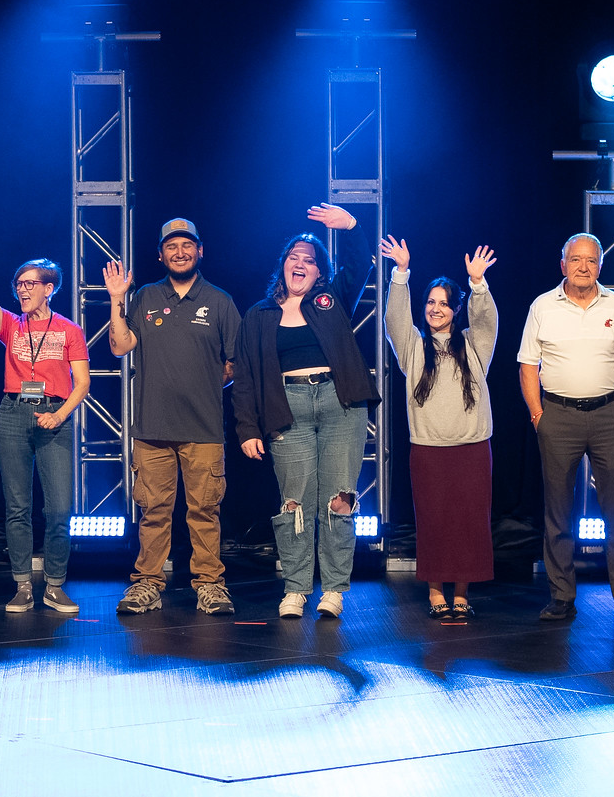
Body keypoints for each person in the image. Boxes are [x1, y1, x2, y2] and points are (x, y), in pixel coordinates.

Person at [232, 204, 380, 619]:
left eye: (309, 261)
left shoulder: (331, 301)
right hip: (288, 407)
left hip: (340, 403)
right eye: (293, 258)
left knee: (338, 501)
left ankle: (333, 589)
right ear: (283, 267)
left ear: (319, 273)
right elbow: (243, 377)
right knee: (293, 503)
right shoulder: (259, 315)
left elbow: (358, 263)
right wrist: (247, 428)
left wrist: (350, 225)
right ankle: (296, 587)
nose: (300, 264)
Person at [103, 218, 241, 616]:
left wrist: (199, 385)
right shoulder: (145, 296)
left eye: (187, 245)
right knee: (154, 512)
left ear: (200, 251)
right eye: (171, 246)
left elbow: (234, 362)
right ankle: (147, 584)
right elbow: (119, 346)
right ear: (160, 254)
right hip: (152, 429)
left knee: (204, 512)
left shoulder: (219, 301)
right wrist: (117, 299)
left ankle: (210, 586)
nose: (179, 252)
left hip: (204, 429)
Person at [0, 217, 91, 614]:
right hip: (12, 415)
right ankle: (22, 587)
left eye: (30, 284)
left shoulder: (68, 330)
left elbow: (81, 383)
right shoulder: (11, 326)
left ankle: (55, 585)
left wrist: (60, 415)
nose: (22, 290)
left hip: (55, 417)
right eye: (19, 284)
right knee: (17, 507)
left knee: (59, 508)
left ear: (49, 289)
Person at [517, 232, 614, 624]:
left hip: (610, 415)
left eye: (591, 260)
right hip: (558, 416)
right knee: (558, 510)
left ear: (600, 266)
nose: (584, 267)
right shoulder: (542, 306)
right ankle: (561, 595)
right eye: (576, 260)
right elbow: (527, 365)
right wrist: (539, 416)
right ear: (563, 265)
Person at [380, 236, 498, 618]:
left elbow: (487, 321)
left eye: (444, 304)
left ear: (455, 309)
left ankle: (461, 592)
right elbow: (395, 321)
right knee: (433, 521)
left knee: (467, 521)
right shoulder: (414, 347)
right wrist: (400, 274)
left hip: (472, 448)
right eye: (430, 302)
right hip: (428, 450)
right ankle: (435, 592)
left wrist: (478, 284)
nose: (435, 309)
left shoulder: (473, 344)